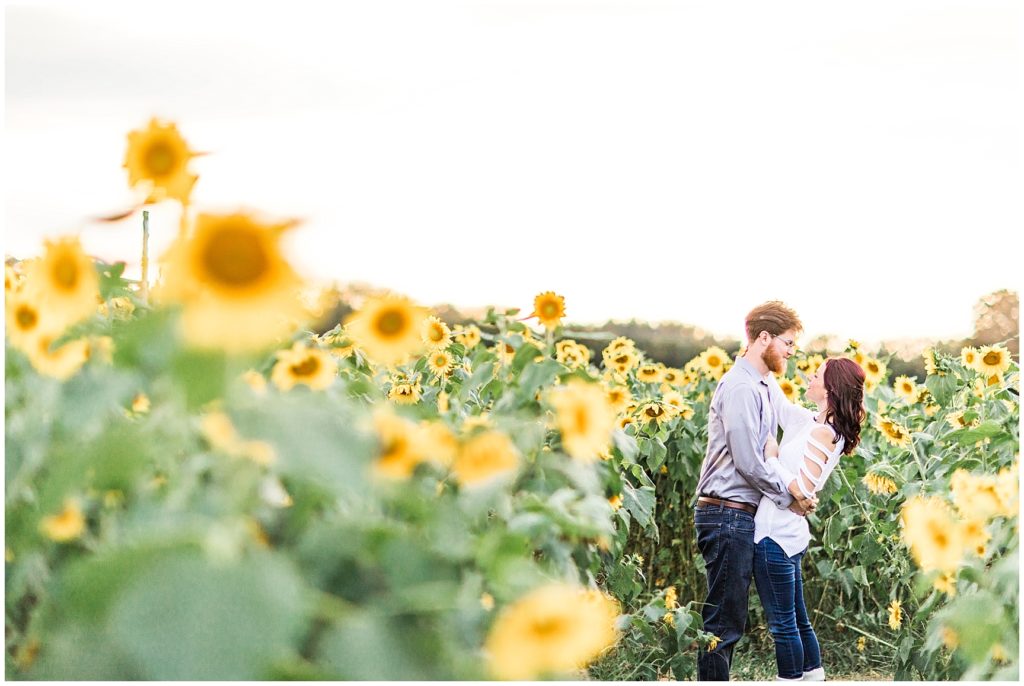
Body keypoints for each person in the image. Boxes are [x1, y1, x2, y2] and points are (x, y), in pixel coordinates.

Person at [694, 301, 819, 681]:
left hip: (739, 513)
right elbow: (749, 461)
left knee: (731, 617)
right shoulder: (740, 387)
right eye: (787, 342)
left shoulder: (764, 385)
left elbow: (791, 424)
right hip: (725, 511)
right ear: (763, 337)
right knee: (724, 620)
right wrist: (791, 495)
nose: (791, 351)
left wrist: (838, 416)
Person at [754, 357, 866, 681]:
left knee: (783, 625)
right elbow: (778, 402)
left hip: (775, 536)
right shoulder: (810, 421)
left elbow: (803, 487)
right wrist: (763, 357)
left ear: (830, 387)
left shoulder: (823, 433)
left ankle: (789, 680)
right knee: (798, 619)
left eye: (815, 375)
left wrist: (771, 459)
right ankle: (813, 674)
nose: (808, 377)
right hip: (788, 533)